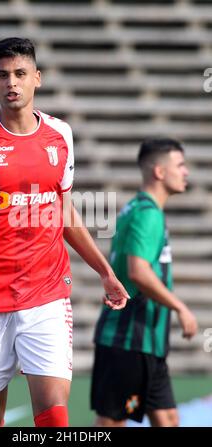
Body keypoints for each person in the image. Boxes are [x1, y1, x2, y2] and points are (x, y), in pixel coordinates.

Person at [0, 37, 129, 428]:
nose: (11, 83)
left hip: (45, 297)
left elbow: (63, 211)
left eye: (19, 74)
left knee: (54, 418)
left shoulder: (59, 134)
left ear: (37, 79)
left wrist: (105, 270)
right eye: (2, 75)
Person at [91, 138, 198, 427]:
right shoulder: (147, 214)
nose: (186, 172)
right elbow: (137, 271)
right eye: (180, 165)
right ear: (160, 172)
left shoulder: (135, 209)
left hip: (147, 342)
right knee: (112, 422)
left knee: (168, 419)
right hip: (129, 340)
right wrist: (180, 307)